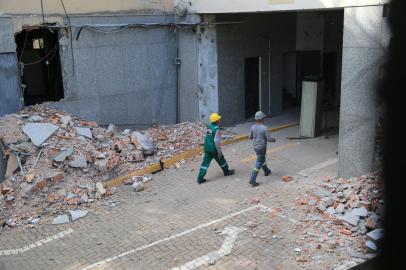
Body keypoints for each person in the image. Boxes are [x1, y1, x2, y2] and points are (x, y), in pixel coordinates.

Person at [197, 113, 235, 184]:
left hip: (207, 147)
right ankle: (226, 172)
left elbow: (208, 137)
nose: (219, 119)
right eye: (218, 119)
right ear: (217, 121)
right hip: (214, 148)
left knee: (205, 163)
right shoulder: (216, 129)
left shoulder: (209, 127)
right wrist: (219, 151)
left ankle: (200, 178)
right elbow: (216, 141)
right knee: (221, 159)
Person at [249, 111, 276, 187]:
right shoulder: (265, 128)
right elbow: (269, 139)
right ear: (262, 119)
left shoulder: (252, 127)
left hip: (255, 146)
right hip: (262, 147)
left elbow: (250, 137)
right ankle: (252, 179)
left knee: (261, 158)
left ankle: (266, 171)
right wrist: (273, 139)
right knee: (259, 161)